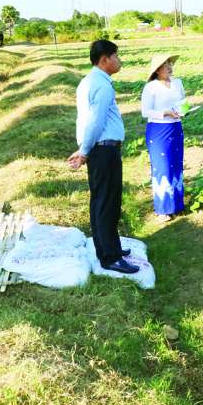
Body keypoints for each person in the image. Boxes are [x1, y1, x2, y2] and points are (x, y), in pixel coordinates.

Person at [67, 40, 138, 274]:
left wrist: (85, 149)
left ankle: (108, 248)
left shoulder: (89, 81)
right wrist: (84, 151)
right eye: (116, 56)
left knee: (101, 201)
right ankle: (110, 257)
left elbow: (86, 120)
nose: (119, 60)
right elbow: (94, 122)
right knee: (107, 203)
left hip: (99, 149)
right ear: (105, 59)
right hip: (104, 150)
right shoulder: (102, 85)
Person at [140, 54, 186, 222]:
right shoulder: (151, 87)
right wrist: (165, 113)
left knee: (176, 165)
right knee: (163, 167)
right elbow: (145, 112)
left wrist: (183, 110)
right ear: (157, 70)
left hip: (176, 127)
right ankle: (162, 208)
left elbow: (182, 102)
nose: (169, 67)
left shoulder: (177, 83)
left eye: (170, 64)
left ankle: (177, 205)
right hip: (159, 130)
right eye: (166, 65)